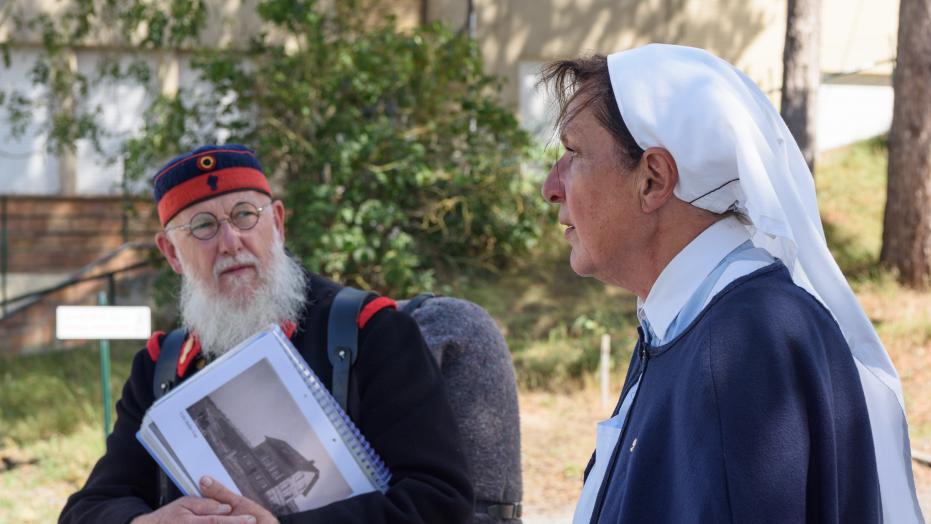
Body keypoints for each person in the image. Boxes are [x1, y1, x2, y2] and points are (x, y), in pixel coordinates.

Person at [539, 44, 924, 523]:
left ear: (653, 179)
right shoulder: (692, 325)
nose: (550, 187)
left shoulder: (743, 340)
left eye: (573, 153)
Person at [60, 144, 473, 524]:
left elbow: (439, 501)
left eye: (245, 215)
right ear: (171, 253)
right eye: (202, 226)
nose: (230, 242)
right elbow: (88, 508)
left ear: (276, 222)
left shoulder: (372, 332)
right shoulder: (161, 367)